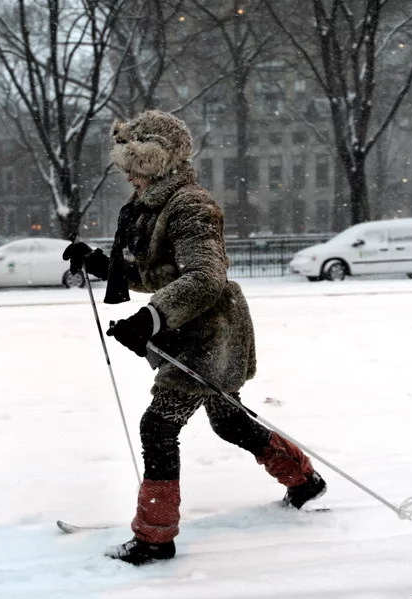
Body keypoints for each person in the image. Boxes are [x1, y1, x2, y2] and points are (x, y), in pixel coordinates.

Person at [63, 110, 327, 565]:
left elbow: (205, 277)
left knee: (158, 425)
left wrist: (151, 319)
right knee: (230, 421)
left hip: (210, 332)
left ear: (156, 163)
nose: (126, 173)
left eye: (134, 164)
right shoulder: (156, 207)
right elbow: (156, 273)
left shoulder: (190, 206)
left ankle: (154, 537)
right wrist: (101, 266)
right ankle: (304, 481)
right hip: (191, 330)